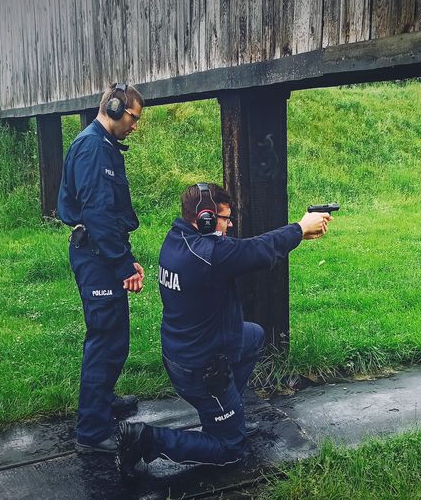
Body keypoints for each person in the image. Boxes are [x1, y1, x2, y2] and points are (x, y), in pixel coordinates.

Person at [113, 183, 331, 476]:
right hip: (202, 369)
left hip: (184, 352)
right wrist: (301, 228)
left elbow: (243, 249)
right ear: (204, 217)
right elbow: (258, 249)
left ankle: (228, 412)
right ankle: (145, 439)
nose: (230, 224)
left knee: (252, 335)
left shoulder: (177, 238)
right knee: (231, 450)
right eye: (225, 218)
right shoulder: (209, 254)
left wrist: (299, 232)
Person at [57, 83, 146, 453]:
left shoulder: (103, 146)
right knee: (104, 340)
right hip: (96, 257)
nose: (135, 126)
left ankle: (103, 401)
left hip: (103, 254)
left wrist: (122, 256)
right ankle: (92, 433)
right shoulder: (93, 148)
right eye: (133, 117)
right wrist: (123, 264)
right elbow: (97, 214)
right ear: (112, 109)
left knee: (115, 338)